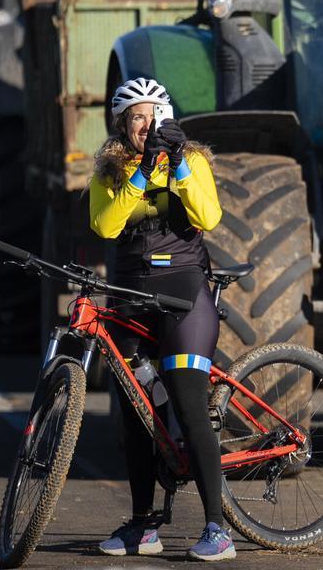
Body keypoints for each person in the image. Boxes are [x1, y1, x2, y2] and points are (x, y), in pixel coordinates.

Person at [88, 77, 235, 562]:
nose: (146, 125)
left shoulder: (190, 161)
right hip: (129, 294)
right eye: (136, 117)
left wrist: (174, 167)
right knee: (134, 413)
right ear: (123, 126)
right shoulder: (110, 169)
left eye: (154, 115)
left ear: (168, 119)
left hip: (184, 290)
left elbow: (209, 218)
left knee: (188, 399)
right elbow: (106, 225)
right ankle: (142, 526)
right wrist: (140, 173)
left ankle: (217, 527)